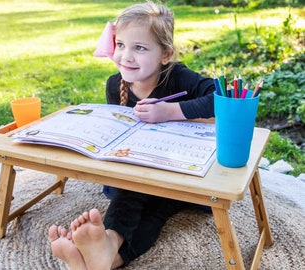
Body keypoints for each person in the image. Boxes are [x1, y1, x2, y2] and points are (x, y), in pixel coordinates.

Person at [48, 1, 215, 269]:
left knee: (151, 198)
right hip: (135, 170)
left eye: (139, 48)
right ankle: (107, 255)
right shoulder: (115, 85)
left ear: (165, 54)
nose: (126, 56)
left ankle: (108, 245)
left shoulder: (178, 76)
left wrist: (170, 111)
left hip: (178, 169)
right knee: (140, 194)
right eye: (121, 45)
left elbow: (221, 97)